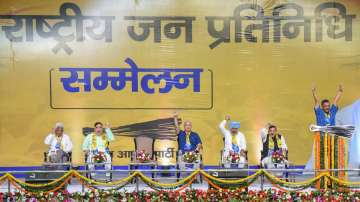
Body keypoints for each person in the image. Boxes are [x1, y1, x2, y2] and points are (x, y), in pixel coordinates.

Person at [305, 84, 344, 170]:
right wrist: (313, 93)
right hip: (322, 137)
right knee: (322, 156)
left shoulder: (332, 111)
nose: (327, 107)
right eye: (325, 106)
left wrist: (340, 92)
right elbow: (317, 103)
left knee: (332, 155)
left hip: (332, 137)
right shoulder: (319, 112)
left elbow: (335, 102)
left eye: (328, 106)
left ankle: (332, 172)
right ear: (322, 107)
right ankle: (322, 173)